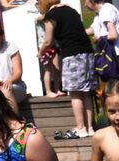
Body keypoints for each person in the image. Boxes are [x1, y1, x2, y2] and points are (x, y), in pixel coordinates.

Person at [39, 0, 94, 139]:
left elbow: (48, 40)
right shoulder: (72, 11)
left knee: (75, 92)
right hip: (87, 52)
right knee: (86, 92)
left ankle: (81, 128)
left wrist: (40, 52)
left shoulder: (51, 15)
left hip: (72, 54)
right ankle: (90, 127)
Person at [85, 0, 119, 84]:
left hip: (117, 55)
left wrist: (99, 39)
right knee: (115, 90)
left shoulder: (105, 11)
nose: (85, 4)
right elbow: (93, 29)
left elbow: (113, 35)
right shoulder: (100, 13)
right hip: (111, 55)